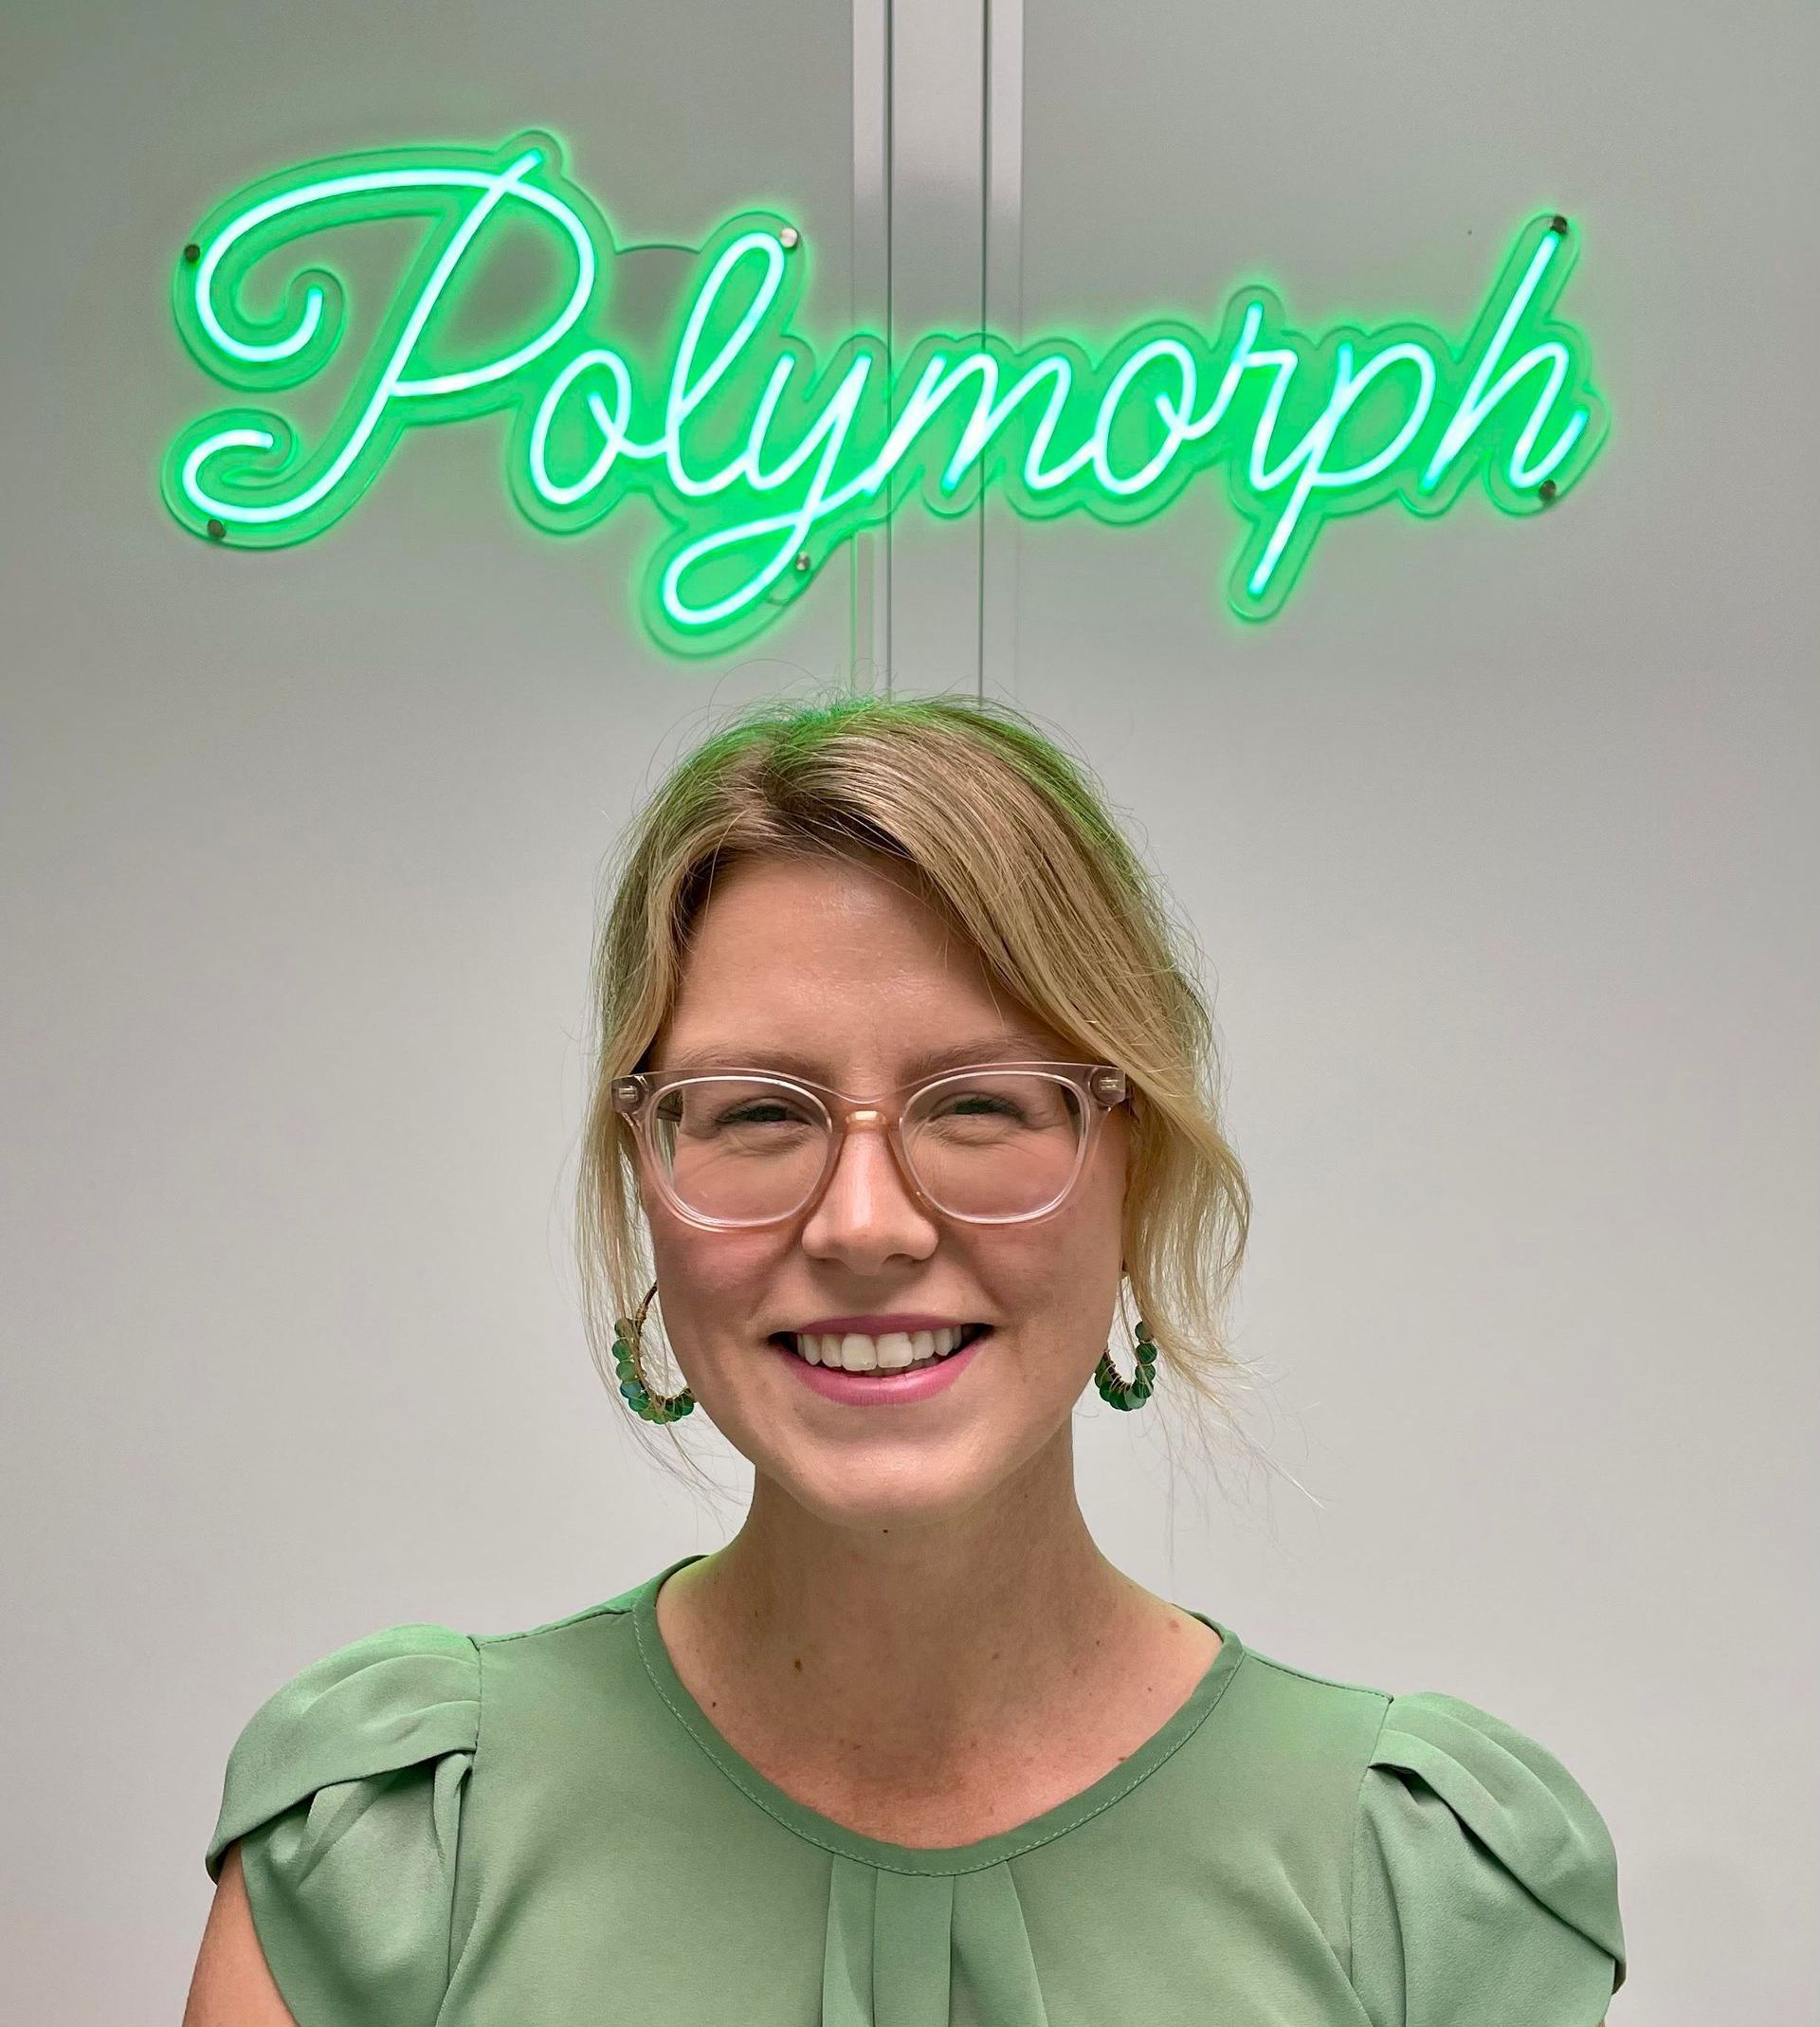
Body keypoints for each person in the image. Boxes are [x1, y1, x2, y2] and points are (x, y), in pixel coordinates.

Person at [183, 690, 1626, 2026]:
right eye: (758, 1112)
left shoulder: (1418, 1889)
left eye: (982, 1104)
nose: (865, 1224)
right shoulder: (393, 1846)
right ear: (646, 1178)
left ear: (1137, 1167)